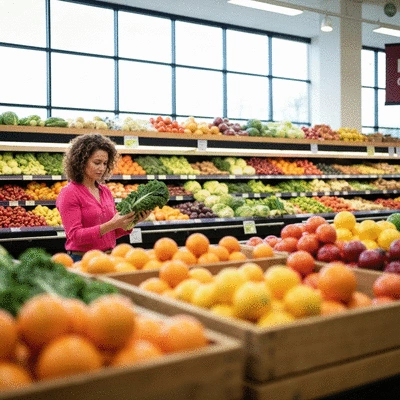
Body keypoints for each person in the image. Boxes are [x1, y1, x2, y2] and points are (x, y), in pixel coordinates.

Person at [56, 133, 148, 262]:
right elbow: (75, 236)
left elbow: (113, 232)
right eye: (97, 163)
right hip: (82, 260)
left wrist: (133, 220)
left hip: (109, 257)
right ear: (81, 161)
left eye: (105, 163)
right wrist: (112, 224)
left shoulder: (105, 191)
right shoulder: (69, 193)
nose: (102, 168)